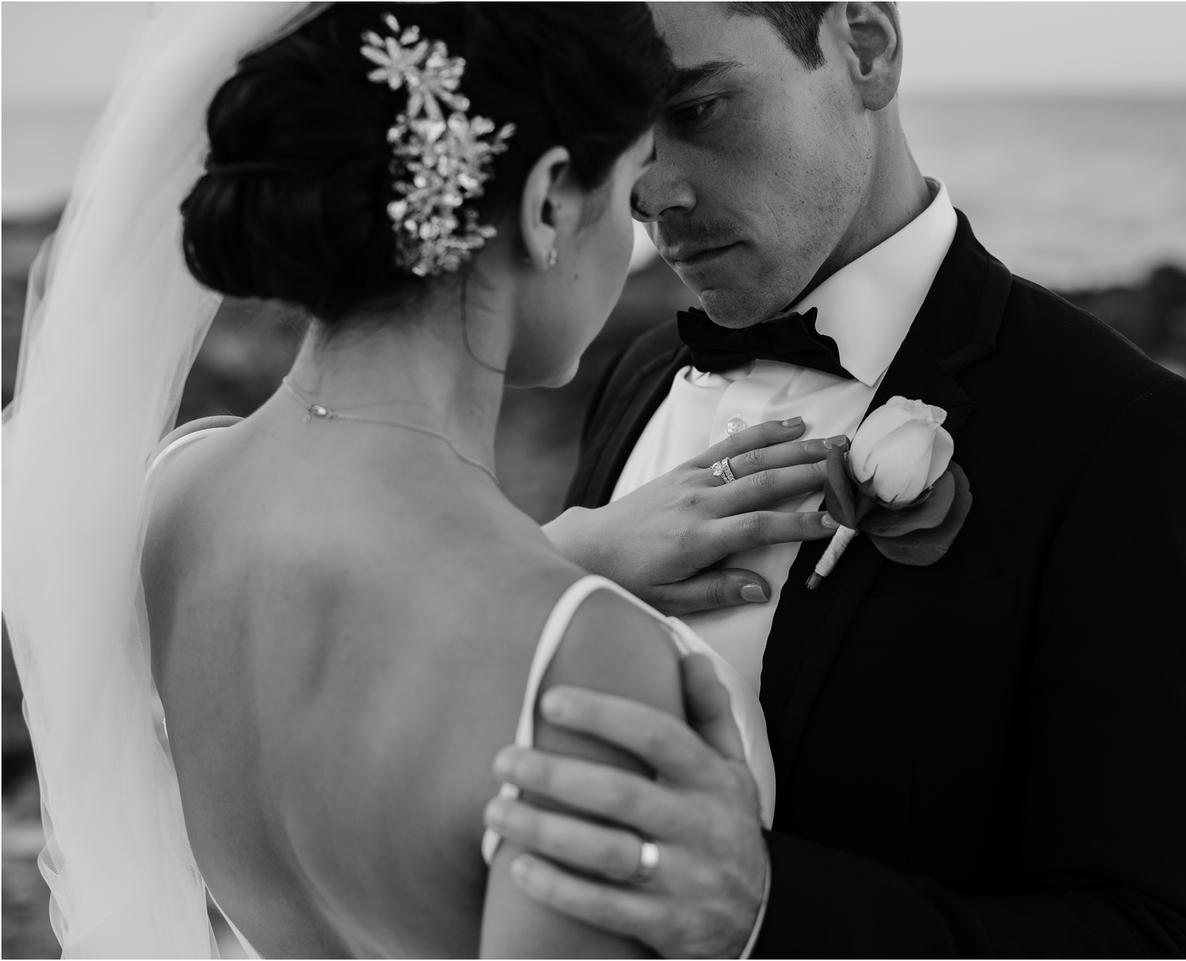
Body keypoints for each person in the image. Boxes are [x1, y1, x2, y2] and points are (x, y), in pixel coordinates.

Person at [3, 3, 830, 956]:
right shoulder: (581, 667)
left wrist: (557, 556)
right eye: (628, 189)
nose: (639, 241)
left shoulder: (177, 497)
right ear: (551, 201)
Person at [485, 3, 1186, 957]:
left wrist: (766, 911)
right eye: (621, 141)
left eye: (700, 109)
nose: (650, 193)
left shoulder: (1123, 437)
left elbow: (1156, 937)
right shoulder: (638, 372)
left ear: (867, 47)